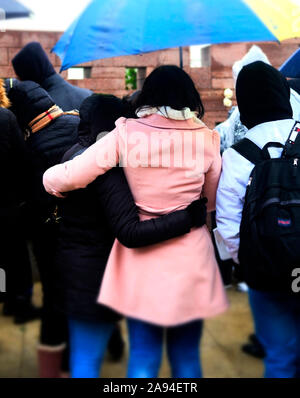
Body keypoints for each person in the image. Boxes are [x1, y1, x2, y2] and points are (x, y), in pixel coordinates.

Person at [43, 65, 229, 378]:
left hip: (142, 261)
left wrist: (49, 181)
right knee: (186, 357)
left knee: (143, 356)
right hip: (193, 261)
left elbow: (73, 174)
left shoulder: (126, 133)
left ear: (148, 94)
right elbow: (208, 204)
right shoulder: (208, 140)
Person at [216, 61, 300, 378]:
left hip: (266, 275)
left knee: (279, 358)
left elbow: (227, 224)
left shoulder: (237, 155)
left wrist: (248, 263)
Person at [5, 79, 80, 377]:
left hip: (49, 235)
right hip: (87, 233)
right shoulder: (79, 125)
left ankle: (55, 367)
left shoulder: (30, 146)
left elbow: (31, 195)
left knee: (54, 299)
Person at [0, 79, 34, 321]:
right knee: (15, 254)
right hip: (7, 200)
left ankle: (2, 294)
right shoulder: (6, 118)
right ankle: (17, 302)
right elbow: (22, 160)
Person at [11, 42, 92, 111]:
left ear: (28, 74)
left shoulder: (39, 108)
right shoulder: (88, 95)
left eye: (19, 77)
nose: (20, 81)